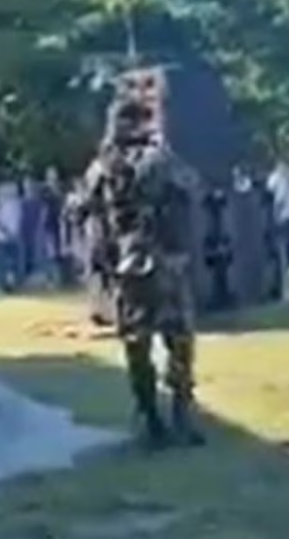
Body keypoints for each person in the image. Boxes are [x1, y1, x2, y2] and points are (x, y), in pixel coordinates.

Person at [77, 72, 204, 449]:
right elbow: (193, 187)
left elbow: (81, 210)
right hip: (165, 262)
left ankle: (150, 419)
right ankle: (180, 416)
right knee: (179, 342)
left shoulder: (100, 168)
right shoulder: (161, 160)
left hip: (127, 270)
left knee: (138, 346)